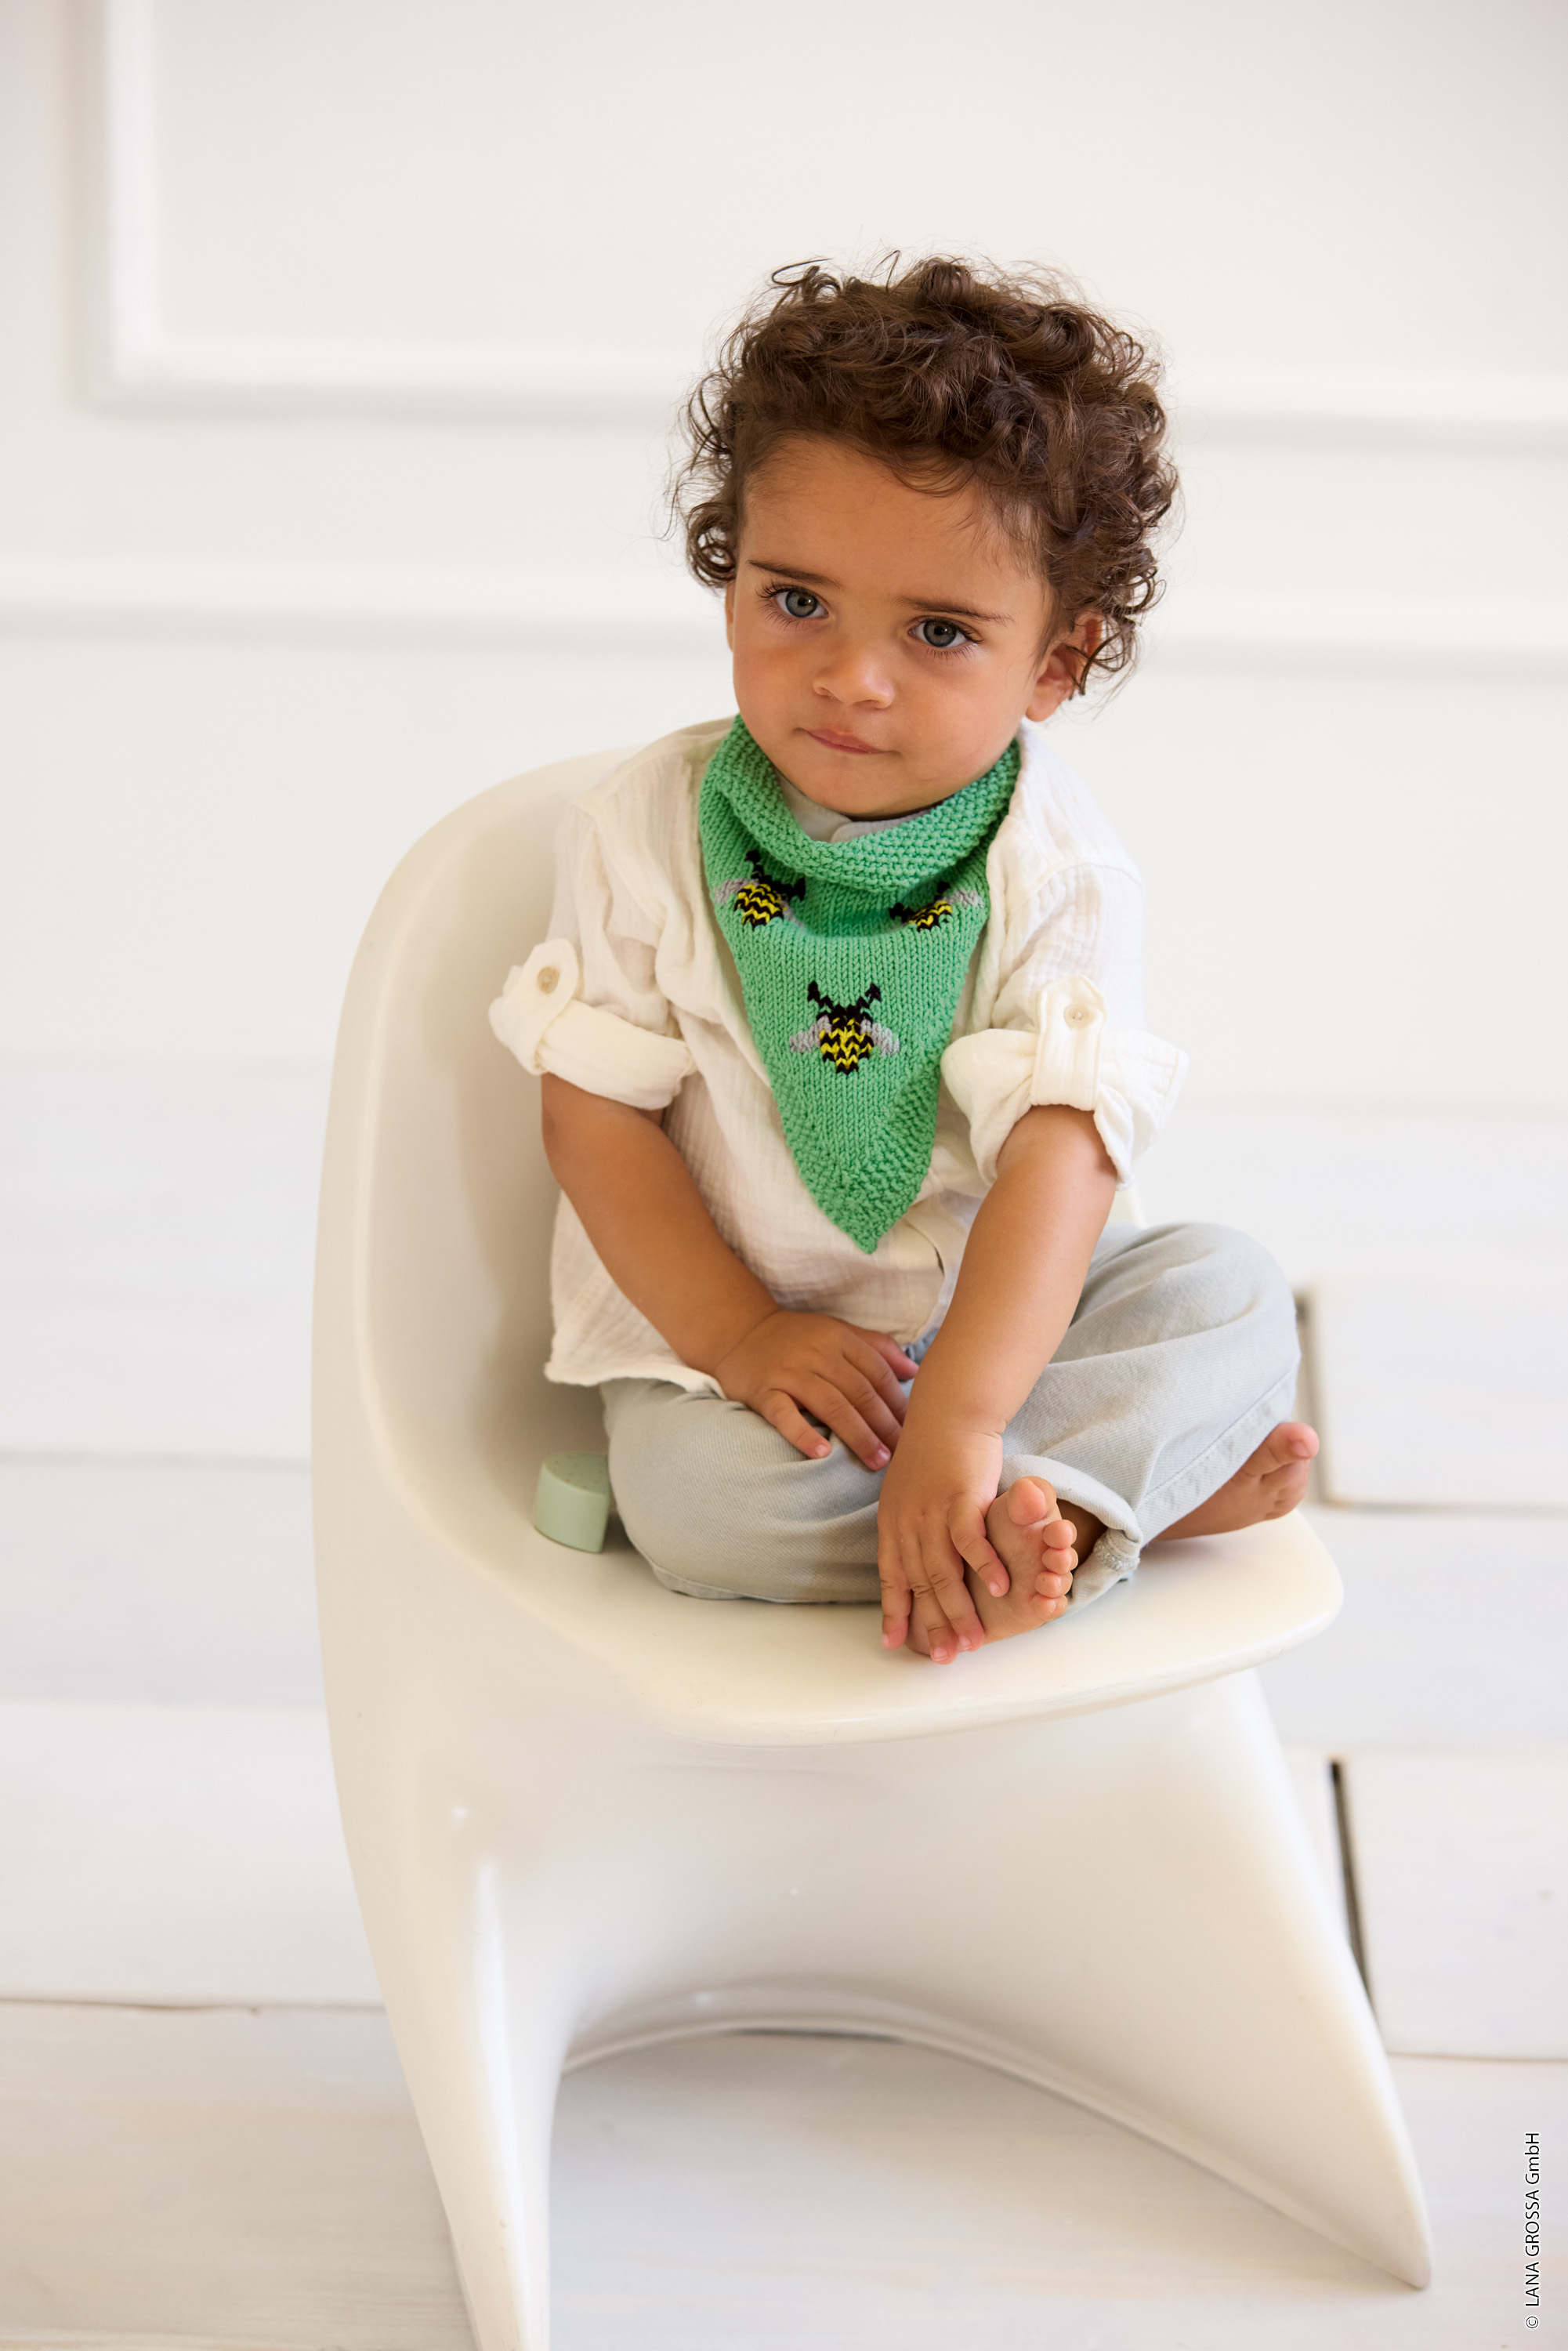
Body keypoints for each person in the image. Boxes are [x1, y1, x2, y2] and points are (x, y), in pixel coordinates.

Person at [491, 256, 1316, 1665]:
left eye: (937, 633)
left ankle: (1013, 1485)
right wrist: (743, 1338)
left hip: (999, 1326)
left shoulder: (1055, 867)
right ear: (729, 579)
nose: (850, 678)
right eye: (795, 601)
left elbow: (1062, 1153)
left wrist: (967, 1410)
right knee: (698, 1511)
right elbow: (595, 1116)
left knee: (1227, 1289)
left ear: (1055, 661)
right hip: (746, 1359)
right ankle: (1106, 1494)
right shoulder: (642, 828)